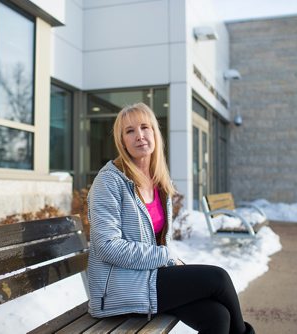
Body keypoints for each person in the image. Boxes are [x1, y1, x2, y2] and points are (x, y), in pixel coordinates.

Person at [87, 102, 255, 334]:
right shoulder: (109, 182)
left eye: (145, 127)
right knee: (218, 278)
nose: (139, 136)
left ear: (155, 132)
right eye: (130, 131)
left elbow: (156, 241)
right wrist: (165, 256)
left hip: (149, 277)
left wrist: (166, 259)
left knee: (217, 317)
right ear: (122, 141)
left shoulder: (158, 182)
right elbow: (107, 247)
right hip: (118, 289)